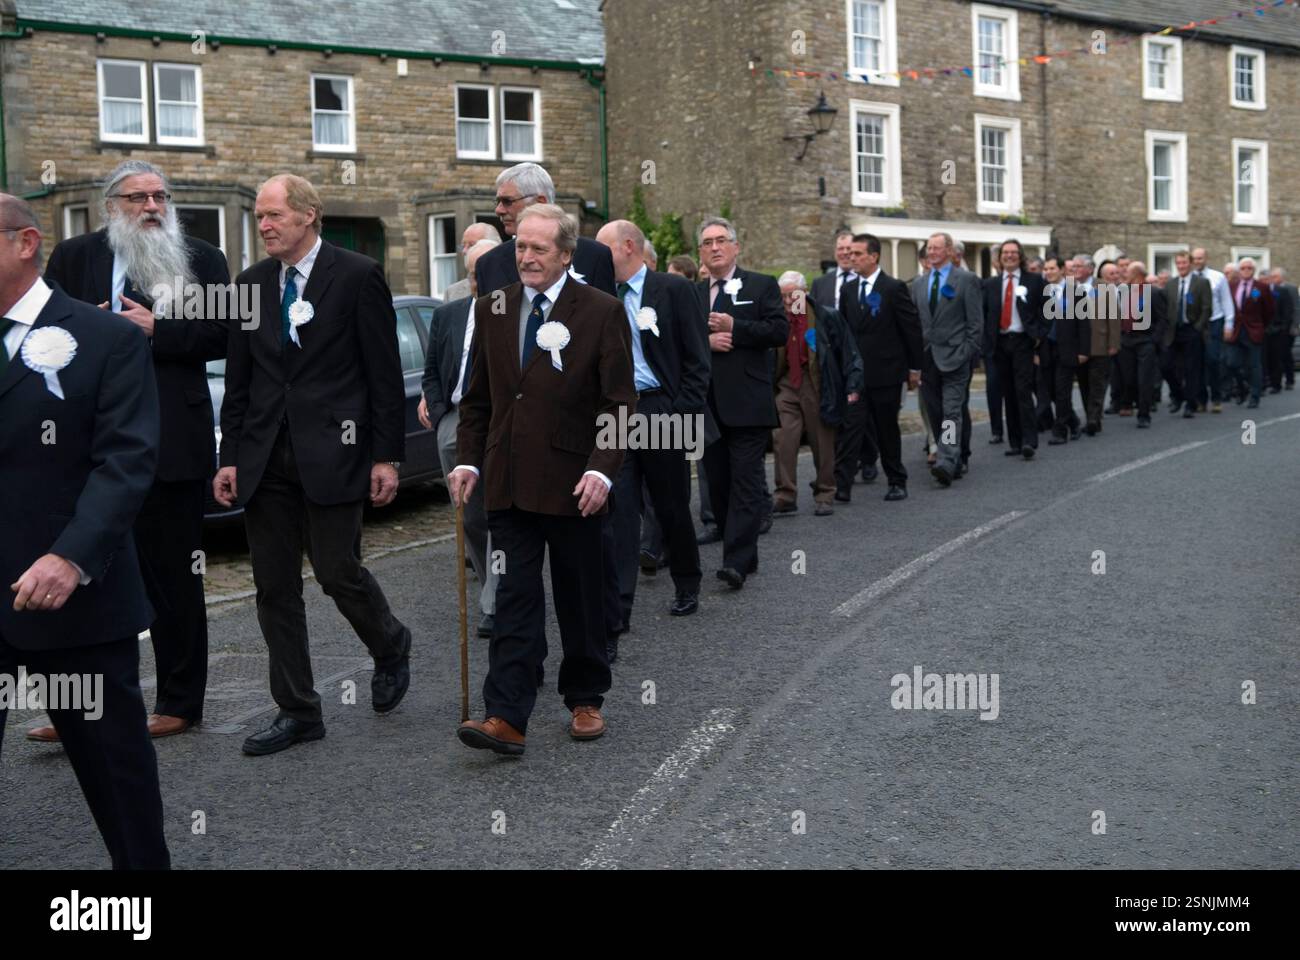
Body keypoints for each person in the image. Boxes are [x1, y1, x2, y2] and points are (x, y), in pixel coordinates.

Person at [214, 174, 412, 756]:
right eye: (259, 218)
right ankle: (299, 710)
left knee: (335, 571)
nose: (265, 226)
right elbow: (240, 380)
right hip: (264, 460)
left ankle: (390, 642)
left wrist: (386, 456)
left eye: (274, 215)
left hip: (335, 453)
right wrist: (230, 457)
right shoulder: (250, 284)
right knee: (273, 587)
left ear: (308, 215)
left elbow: (382, 375)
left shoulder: (356, 276)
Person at [0, 193, 169, 868]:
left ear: (25, 243)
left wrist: (70, 558)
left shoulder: (108, 339)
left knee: (115, 774)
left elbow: (126, 462)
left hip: (76, 602)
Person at [36, 159, 228, 742]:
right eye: (138, 197)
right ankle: (76, 709)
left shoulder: (201, 259)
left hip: (171, 441)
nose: (152, 207)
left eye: (160, 196)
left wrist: (156, 329)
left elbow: (223, 336)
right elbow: (40, 331)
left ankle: (179, 701)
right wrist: (81, 330)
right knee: (82, 576)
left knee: (173, 578)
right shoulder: (75, 257)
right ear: (111, 206)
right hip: (86, 446)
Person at [451, 204, 635, 755]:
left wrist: (602, 469)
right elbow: (479, 398)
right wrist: (467, 460)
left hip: (576, 484)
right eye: (520, 248)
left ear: (566, 254)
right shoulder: (493, 306)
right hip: (508, 482)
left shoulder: (600, 310)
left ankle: (585, 697)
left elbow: (619, 404)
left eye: (538, 249)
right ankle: (505, 714)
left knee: (580, 596)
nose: (525, 258)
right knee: (514, 598)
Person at [596, 219, 710, 650]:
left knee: (671, 503)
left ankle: (687, 581)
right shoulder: (601, 295)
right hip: (616, 413)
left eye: (603, 247)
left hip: (663, 406)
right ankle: (619, 605)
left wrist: (682, 410)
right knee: (619, 510)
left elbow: (699, 359)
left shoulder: (674, 290)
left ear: (628, 246)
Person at [696, 215, 787, 588]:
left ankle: (735, 561)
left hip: (748, 404)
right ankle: (745, 552)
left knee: (746, 483)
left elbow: (778, 330)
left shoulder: (762, 285)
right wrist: (707, 340)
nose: (715, 247)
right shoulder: (692, 292)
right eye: (707, 242)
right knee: (717, 487)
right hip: (706, 405)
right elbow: (679, 342)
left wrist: (736, 328)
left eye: (721, 240)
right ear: (700, 251)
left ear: (735, 246)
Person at [418, 238, 500, 640]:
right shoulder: (449, 314)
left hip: (499, 421)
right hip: (453, 419)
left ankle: (494, 601)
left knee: (499, 510)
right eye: (470, 274)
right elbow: (431, 370)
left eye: (482, 274)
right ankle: (489, 583)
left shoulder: (509, 313)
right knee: (469, 515)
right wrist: (437, 412)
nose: (476, 282)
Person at [834, 233, 921, 503]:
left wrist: (915, 368)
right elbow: (844, 332)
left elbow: (911, 329)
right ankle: (842, 484)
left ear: (874, 256)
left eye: (858, 254)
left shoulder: (893, 288)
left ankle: (896, 480)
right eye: (850, 254)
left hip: (887, 373)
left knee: (886, 430)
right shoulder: (848, 290)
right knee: (851, 429)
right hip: (857, 376)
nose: (852, 258)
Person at [772, 271, 862, 516]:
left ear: (805, 290)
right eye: (783, 296)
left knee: (822, 442)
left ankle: (825, 493)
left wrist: (853, 386)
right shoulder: (777, 318)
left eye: (793, 295)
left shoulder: (825, 316)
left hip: (818, 385)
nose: (789, 301)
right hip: (787, 384)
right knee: (783, 439)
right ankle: (785, 494)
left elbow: (849, 352)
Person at [474, 162, 615, 297]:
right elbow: (490, 320)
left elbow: (607, 318)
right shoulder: (488, 265)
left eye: (507, 201)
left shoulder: (594, 257)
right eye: (498, 202)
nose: (498, 210)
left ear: (540, 202)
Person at [911, 232, 981, 486]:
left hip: (955, 358)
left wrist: (965, 352)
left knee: (952, 412)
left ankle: (947, 459)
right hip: (927, 360)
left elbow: (975, 324)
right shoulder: (919, 284)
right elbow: (915, 325)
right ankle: (954, 452)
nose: (931, 252)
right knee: (936, 413)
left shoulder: (966, 280)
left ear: (950, 250)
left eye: (937, 248)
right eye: (929, 248)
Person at [982, 239, 1047, 459]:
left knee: (1023, 391)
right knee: (1007, 393)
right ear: (1000, 257)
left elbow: (1047, 310)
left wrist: (1039, 335)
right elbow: (984, 315)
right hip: (1000, 343)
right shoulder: (990, 284)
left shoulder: (1035, 281)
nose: (1009, 256)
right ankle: (1015, 441)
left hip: (1023, 341)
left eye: (1013, 252)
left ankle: (1030, 440)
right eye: (1005, 252)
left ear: (1020, 256)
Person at [1162, 251, 1212, 419]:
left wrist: (1197, 328)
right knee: (1166, 366)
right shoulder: (1170, 284)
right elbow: (1165, 308)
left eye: (1184, 263)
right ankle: (1178, 395)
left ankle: (1191, 403)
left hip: (1192, 330)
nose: (1181, 266)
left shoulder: (1202, 283)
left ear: (1190, 264)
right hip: (1173, 331)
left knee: (1192, 370)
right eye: (1179, 263)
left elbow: (1206, 308)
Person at [1115, 261, 1162, 427]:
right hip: (1126, 341)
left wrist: (1154, 340)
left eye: (1127, 272)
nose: (1124, 274)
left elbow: (1162, 319)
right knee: (1128, 379)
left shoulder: (1153, 293)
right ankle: (1129, 402)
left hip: (1145, 341)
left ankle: (1144, 414)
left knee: (1144, 379)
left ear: (1137, 275)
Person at [1225, 257, 1274, 409]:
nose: (1246, 271)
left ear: (1254, 270)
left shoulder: (1261, 288)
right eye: (1243, 268)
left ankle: (1254, 396)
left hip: (1254, 331)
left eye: (1249, 268)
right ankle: (1242, 387)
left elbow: (1269, 311)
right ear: (1239, 271)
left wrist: (1260, 326)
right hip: (1236, 330)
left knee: (1254, 365)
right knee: (1231, 363)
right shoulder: (1232, 286)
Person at [442, 222, 502, 302]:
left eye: (472, 245)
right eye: (463, 246)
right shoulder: (452, 293)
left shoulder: (515, 287)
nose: (464, 251)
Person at [809, 228, 856, 310]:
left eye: (849, 248)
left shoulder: (865, 281)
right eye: (840, 248)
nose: (845, 252)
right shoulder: (819, 284)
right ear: (835, 251)